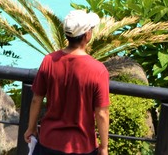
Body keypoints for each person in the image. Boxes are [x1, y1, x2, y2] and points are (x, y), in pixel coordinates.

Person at [25, 10, 109, 155]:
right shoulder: (98, 70)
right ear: (87, 35)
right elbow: (102, 113)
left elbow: (36, 99)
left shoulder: (49, 61)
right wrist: (104, 146)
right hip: (81, 145)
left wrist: (31, 128)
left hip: (48, 142)